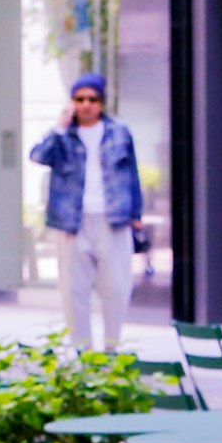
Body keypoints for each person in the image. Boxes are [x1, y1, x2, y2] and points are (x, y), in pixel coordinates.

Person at [33, 75, 142, 351]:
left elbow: (132, 175)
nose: (86, 105)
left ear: (101, 102)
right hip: (72, 220)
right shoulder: (63, 136)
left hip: (112, 217)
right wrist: (59, 128)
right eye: (80, 99)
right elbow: (37, 156)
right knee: (74, 292)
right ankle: (83, 354)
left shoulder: (119, 131)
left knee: (116, 288)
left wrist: (136, 213)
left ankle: (111, 351)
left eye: (92, 99)